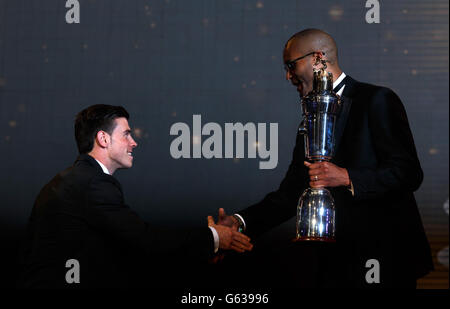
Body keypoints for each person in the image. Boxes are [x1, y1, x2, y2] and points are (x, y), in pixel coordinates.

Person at [216, 29, 433, 288]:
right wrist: (239, 223)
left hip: (383, 262)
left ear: (318, 58)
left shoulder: (376, 100)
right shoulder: (309, 116)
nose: (288, 76)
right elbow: (290, 194)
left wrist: (346, 177)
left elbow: (408, 173)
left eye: (291, 65)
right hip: (332, 266)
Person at [17, 104, 253, 288]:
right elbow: (145, 240)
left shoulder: (73, 180)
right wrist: (213, 237)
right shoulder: (93, 184)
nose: (134, 142)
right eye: (126, 135)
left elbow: (125, 250)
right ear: (103, 139)